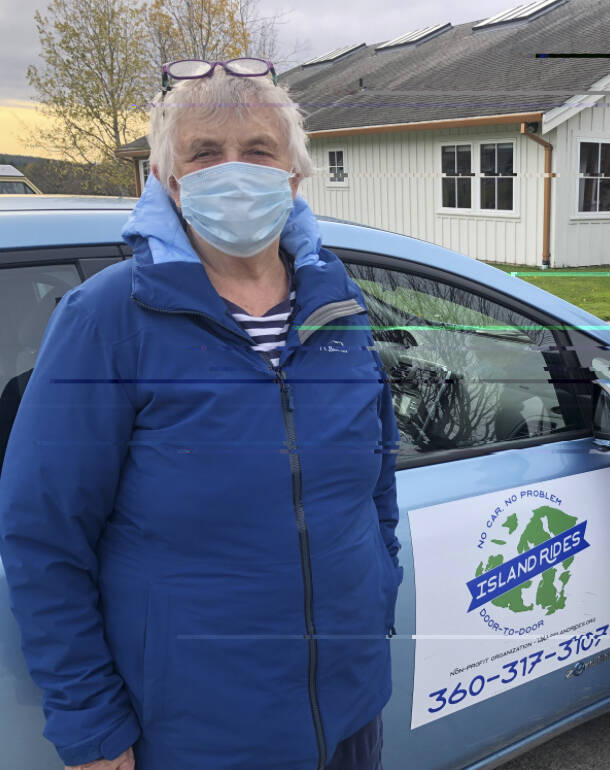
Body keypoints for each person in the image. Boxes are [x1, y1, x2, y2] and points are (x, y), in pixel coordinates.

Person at [0, 59, 401, 770]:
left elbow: (376, 488)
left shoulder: (338, 307)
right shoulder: (107, 318)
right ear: (166, 179)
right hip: (195, 734)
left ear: (294, 176)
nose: (234, 170)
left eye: (257, 151)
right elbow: (43, 536)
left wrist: (375, 606)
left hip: (347, 710)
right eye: (205, 153)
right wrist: (91, 724)